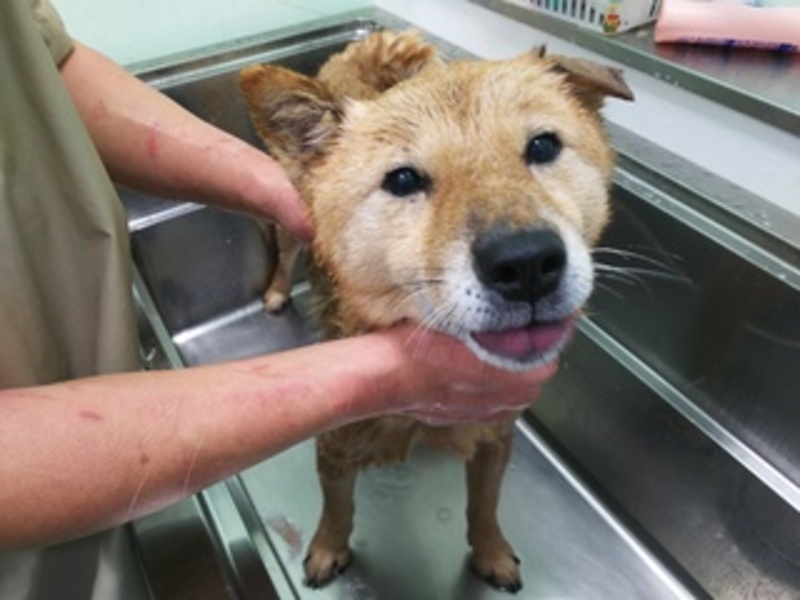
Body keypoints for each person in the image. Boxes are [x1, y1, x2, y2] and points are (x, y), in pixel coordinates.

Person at [0, 0, 557, 596]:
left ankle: (484, 531)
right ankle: (333, 527)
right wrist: (383, 377)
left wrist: (287, 188)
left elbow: (42, 68)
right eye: (403, 180)